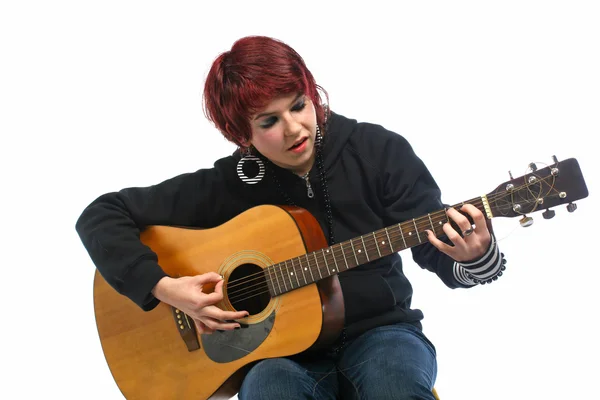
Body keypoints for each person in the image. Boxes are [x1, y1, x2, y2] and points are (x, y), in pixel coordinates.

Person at [76, 35, 506, 400]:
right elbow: (101, 215)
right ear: (241, 134)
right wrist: (165, 288)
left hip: (382, 335)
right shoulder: (232, 182)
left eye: (299, 105)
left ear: (312, 94)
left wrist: (475, 255)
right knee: (268, 388)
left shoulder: (378, 151)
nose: (295, 128)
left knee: (393, 381)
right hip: (281, 356)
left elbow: (440, 256)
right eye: (269, 121)